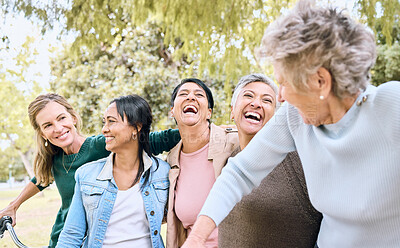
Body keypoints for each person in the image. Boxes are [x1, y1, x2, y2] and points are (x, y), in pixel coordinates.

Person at [182, 1, 400, 248]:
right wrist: (197, 238)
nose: (281, 96)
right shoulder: (294, 117)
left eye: (285, 83)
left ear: (320, 81)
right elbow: (239, 173)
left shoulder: (391, 106)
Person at [0, 93, 180, 248]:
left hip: (93, 238)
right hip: (62, 239)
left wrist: (196, 131)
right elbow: (40, 180)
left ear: (73, 118)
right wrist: (13, 205)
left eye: (61, 118)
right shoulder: (54, 158)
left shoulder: (101, 146)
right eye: (47, 125)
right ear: (42, 133)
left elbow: (153, 140)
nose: (58, 128)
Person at [218, 73, 322, 247]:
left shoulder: (297, 160)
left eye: (267, 100)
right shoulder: (229, 158)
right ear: (232, 111)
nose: (256, 103)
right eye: (248, 95)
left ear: (276, 117)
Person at [56, 94, 169, 248]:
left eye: (111, 121)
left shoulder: (162, 172)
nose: (104, 129)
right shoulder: (86, 175)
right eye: (104, 122)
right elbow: (71, 235)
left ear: (136, 127)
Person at [166, 78, 239, 247]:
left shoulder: (234, 143)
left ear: (209, 113)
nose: (191, 97)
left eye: (199, 94)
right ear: (172, 112)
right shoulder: (171, 162)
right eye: (183, 94)